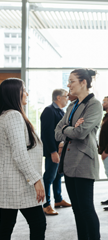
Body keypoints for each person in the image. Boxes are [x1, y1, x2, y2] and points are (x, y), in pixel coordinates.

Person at [55, 68, 102, 240]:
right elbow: (57, 132)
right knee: (77, 209)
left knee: (86, 208)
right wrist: (71, 129)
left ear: (84, 83)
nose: (68, 85)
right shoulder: (72, 105)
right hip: (69, 163)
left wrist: (68, 128)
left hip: (83, 162)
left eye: (71, 81)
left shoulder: (94, 105)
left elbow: (81, 133)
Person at [0, 78, 46, 239]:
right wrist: (36, 179)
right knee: (38, 224)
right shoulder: (13, 116)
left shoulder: (5, 115)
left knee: (5, 227)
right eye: (24, 90)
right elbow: (19, 153)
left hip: (9, 183)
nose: (26, 93)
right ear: (15, 94)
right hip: (18, 183)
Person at [41, 89, 71, 216]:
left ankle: (58, 200)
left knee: (58, 175)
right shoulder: (49, 110)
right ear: (58, 98)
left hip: (60, 151)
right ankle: (46, 204)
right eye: (66, 96)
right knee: (49, 177)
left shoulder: (60, 111)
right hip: (52, 151)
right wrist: (53, 151)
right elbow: (46, 134)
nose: (67, 99)